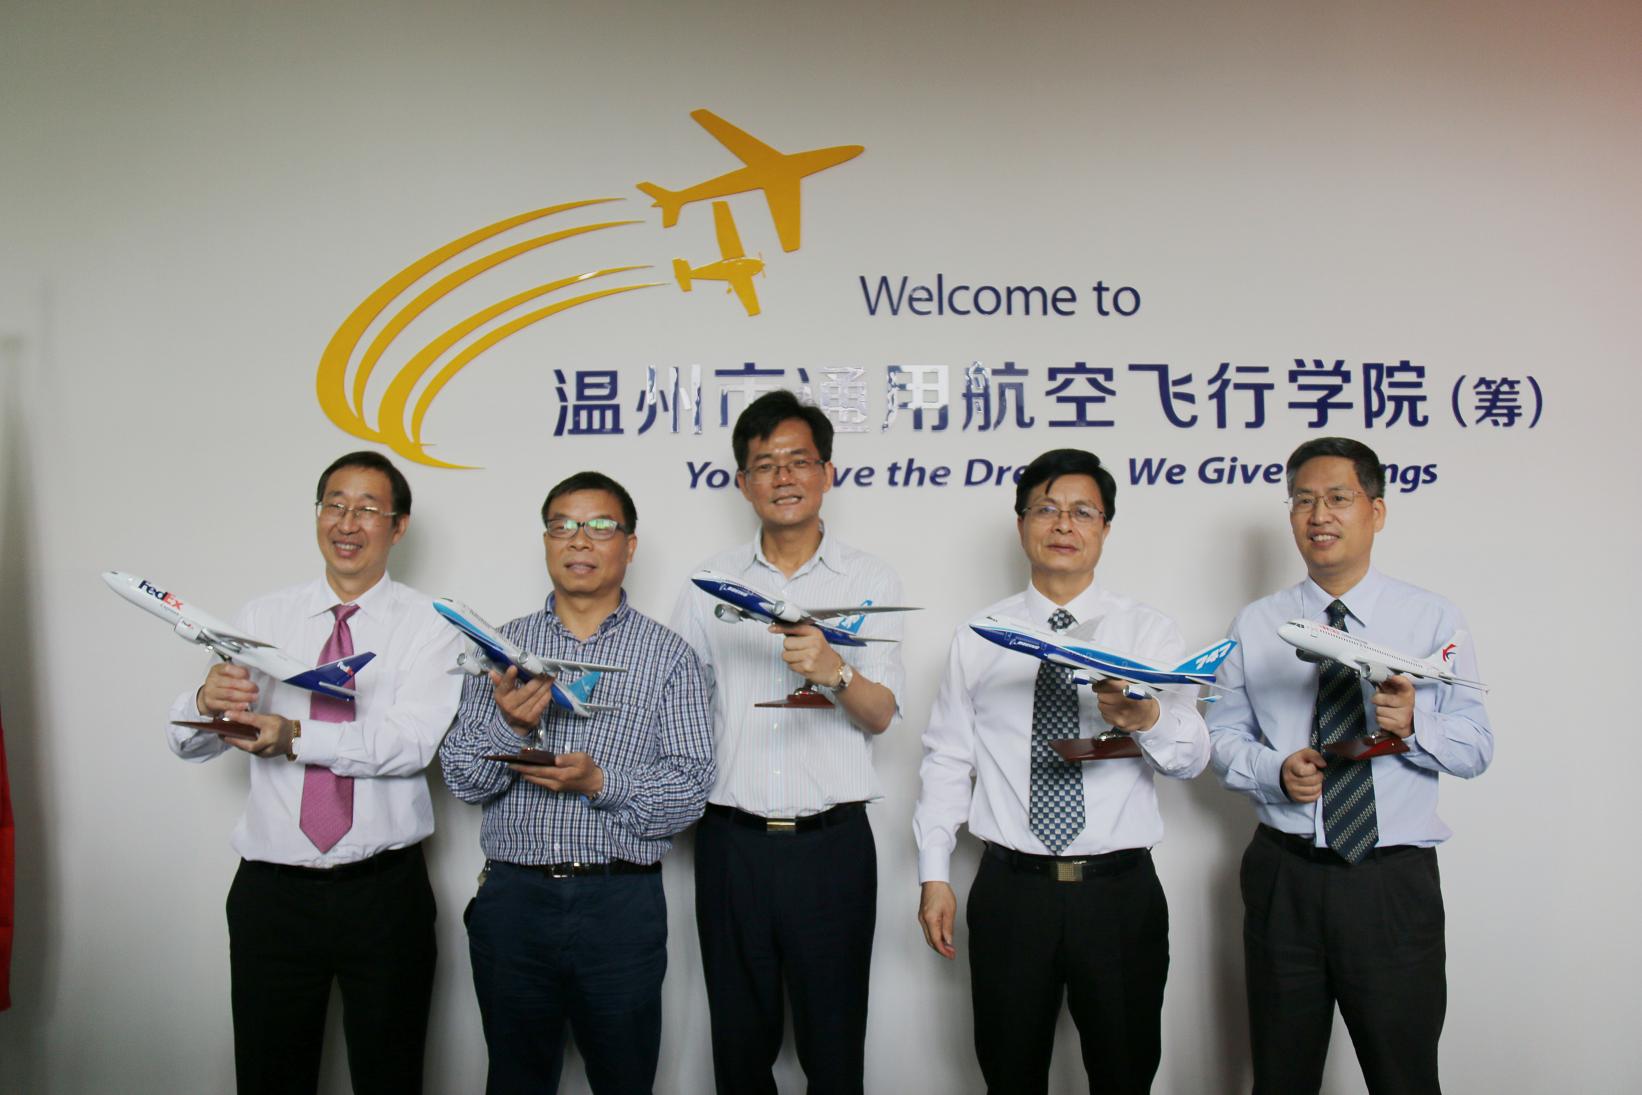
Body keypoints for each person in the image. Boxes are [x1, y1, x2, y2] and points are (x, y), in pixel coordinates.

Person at [914, 448, 1208, 1095]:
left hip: (1118, 894)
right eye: (1046, 509)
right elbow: (947, 758)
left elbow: (1190, 758)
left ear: (1106, 527)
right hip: (1012, 892)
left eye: (1082, 511)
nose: (1064, 524)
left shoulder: (1148, 633)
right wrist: (934, 872)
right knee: (1009, 1075)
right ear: (1022, 523)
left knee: (1124, 1075)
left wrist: (1146, 715)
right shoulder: (981, 635)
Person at [166, 450, 461, 1095]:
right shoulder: (261, 618)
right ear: (318, 514)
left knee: (390, 1076)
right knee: (269, 1076)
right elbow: (191, 746)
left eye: (368, 509)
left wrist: (295, 736)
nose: (347, 523)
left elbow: (409, 744)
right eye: (335, 505)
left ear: (399, 526)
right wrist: (206, 703)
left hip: (384, 896)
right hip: (272, 897)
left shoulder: (431, 626)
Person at [1208, 436, 1493, 1094]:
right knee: (1281, 1077)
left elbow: (1477, 746)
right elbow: (1219, 735)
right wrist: (1273, 769)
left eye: (1338, 497)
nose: (1319, 515)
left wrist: (1414, 724)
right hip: (1285, 877)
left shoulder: (1432, 618)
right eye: (1303, 500)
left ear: (1376, 511)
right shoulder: (1255, 623)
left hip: (1390, 883)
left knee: (1404, 1076)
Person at [440, 471, 713, 1095]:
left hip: (620, 905)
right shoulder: (500, 649)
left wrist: (600, 782)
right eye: (562, 526)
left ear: (630, 545)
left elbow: (690, 789)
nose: (579, 540)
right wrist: (510, 728)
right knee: (515, 1080)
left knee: (625, 1080)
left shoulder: (668, 656)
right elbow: (462, 780)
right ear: (546, 541)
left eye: (600, 526)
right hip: (514, 901)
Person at [670, 389, 904, 1095]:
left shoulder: (871, 580)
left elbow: (881, 713)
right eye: (765, 464)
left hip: (832, 848)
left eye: (798, 460)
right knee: (740, 1052)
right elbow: (678, 710)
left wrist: (836, 671)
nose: (783, 477)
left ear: (827, 472)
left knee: (835, 1051)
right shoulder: (709, 584)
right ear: (743, 482)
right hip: (730, 845)